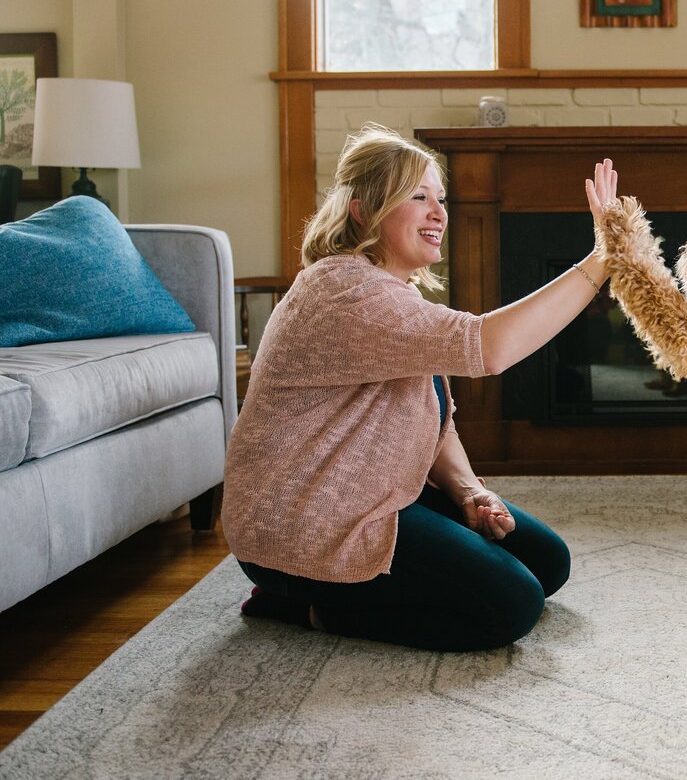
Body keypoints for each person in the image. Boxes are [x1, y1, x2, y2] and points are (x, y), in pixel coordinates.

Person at [222, 123, 618, 651]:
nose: (439, 213)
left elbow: (430, 417)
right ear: (363, 209)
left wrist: (469, 490)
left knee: (546, 562)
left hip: (373, 494)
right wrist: (600, 260)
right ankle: (303, 603)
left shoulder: (392, 294)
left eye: (442, 198)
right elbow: (490, 348)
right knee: (509, 607)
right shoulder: (345, 292)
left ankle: (356, 591)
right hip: (305, 520)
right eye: (418, 196)